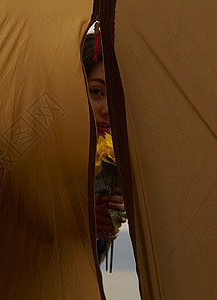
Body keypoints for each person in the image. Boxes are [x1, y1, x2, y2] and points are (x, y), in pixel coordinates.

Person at [82, 32, 127, 262]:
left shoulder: (114, 161)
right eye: (97, 92)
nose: (108, 110)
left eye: (118, 97)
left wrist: (113, 211)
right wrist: (81, 217)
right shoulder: (36, 153)